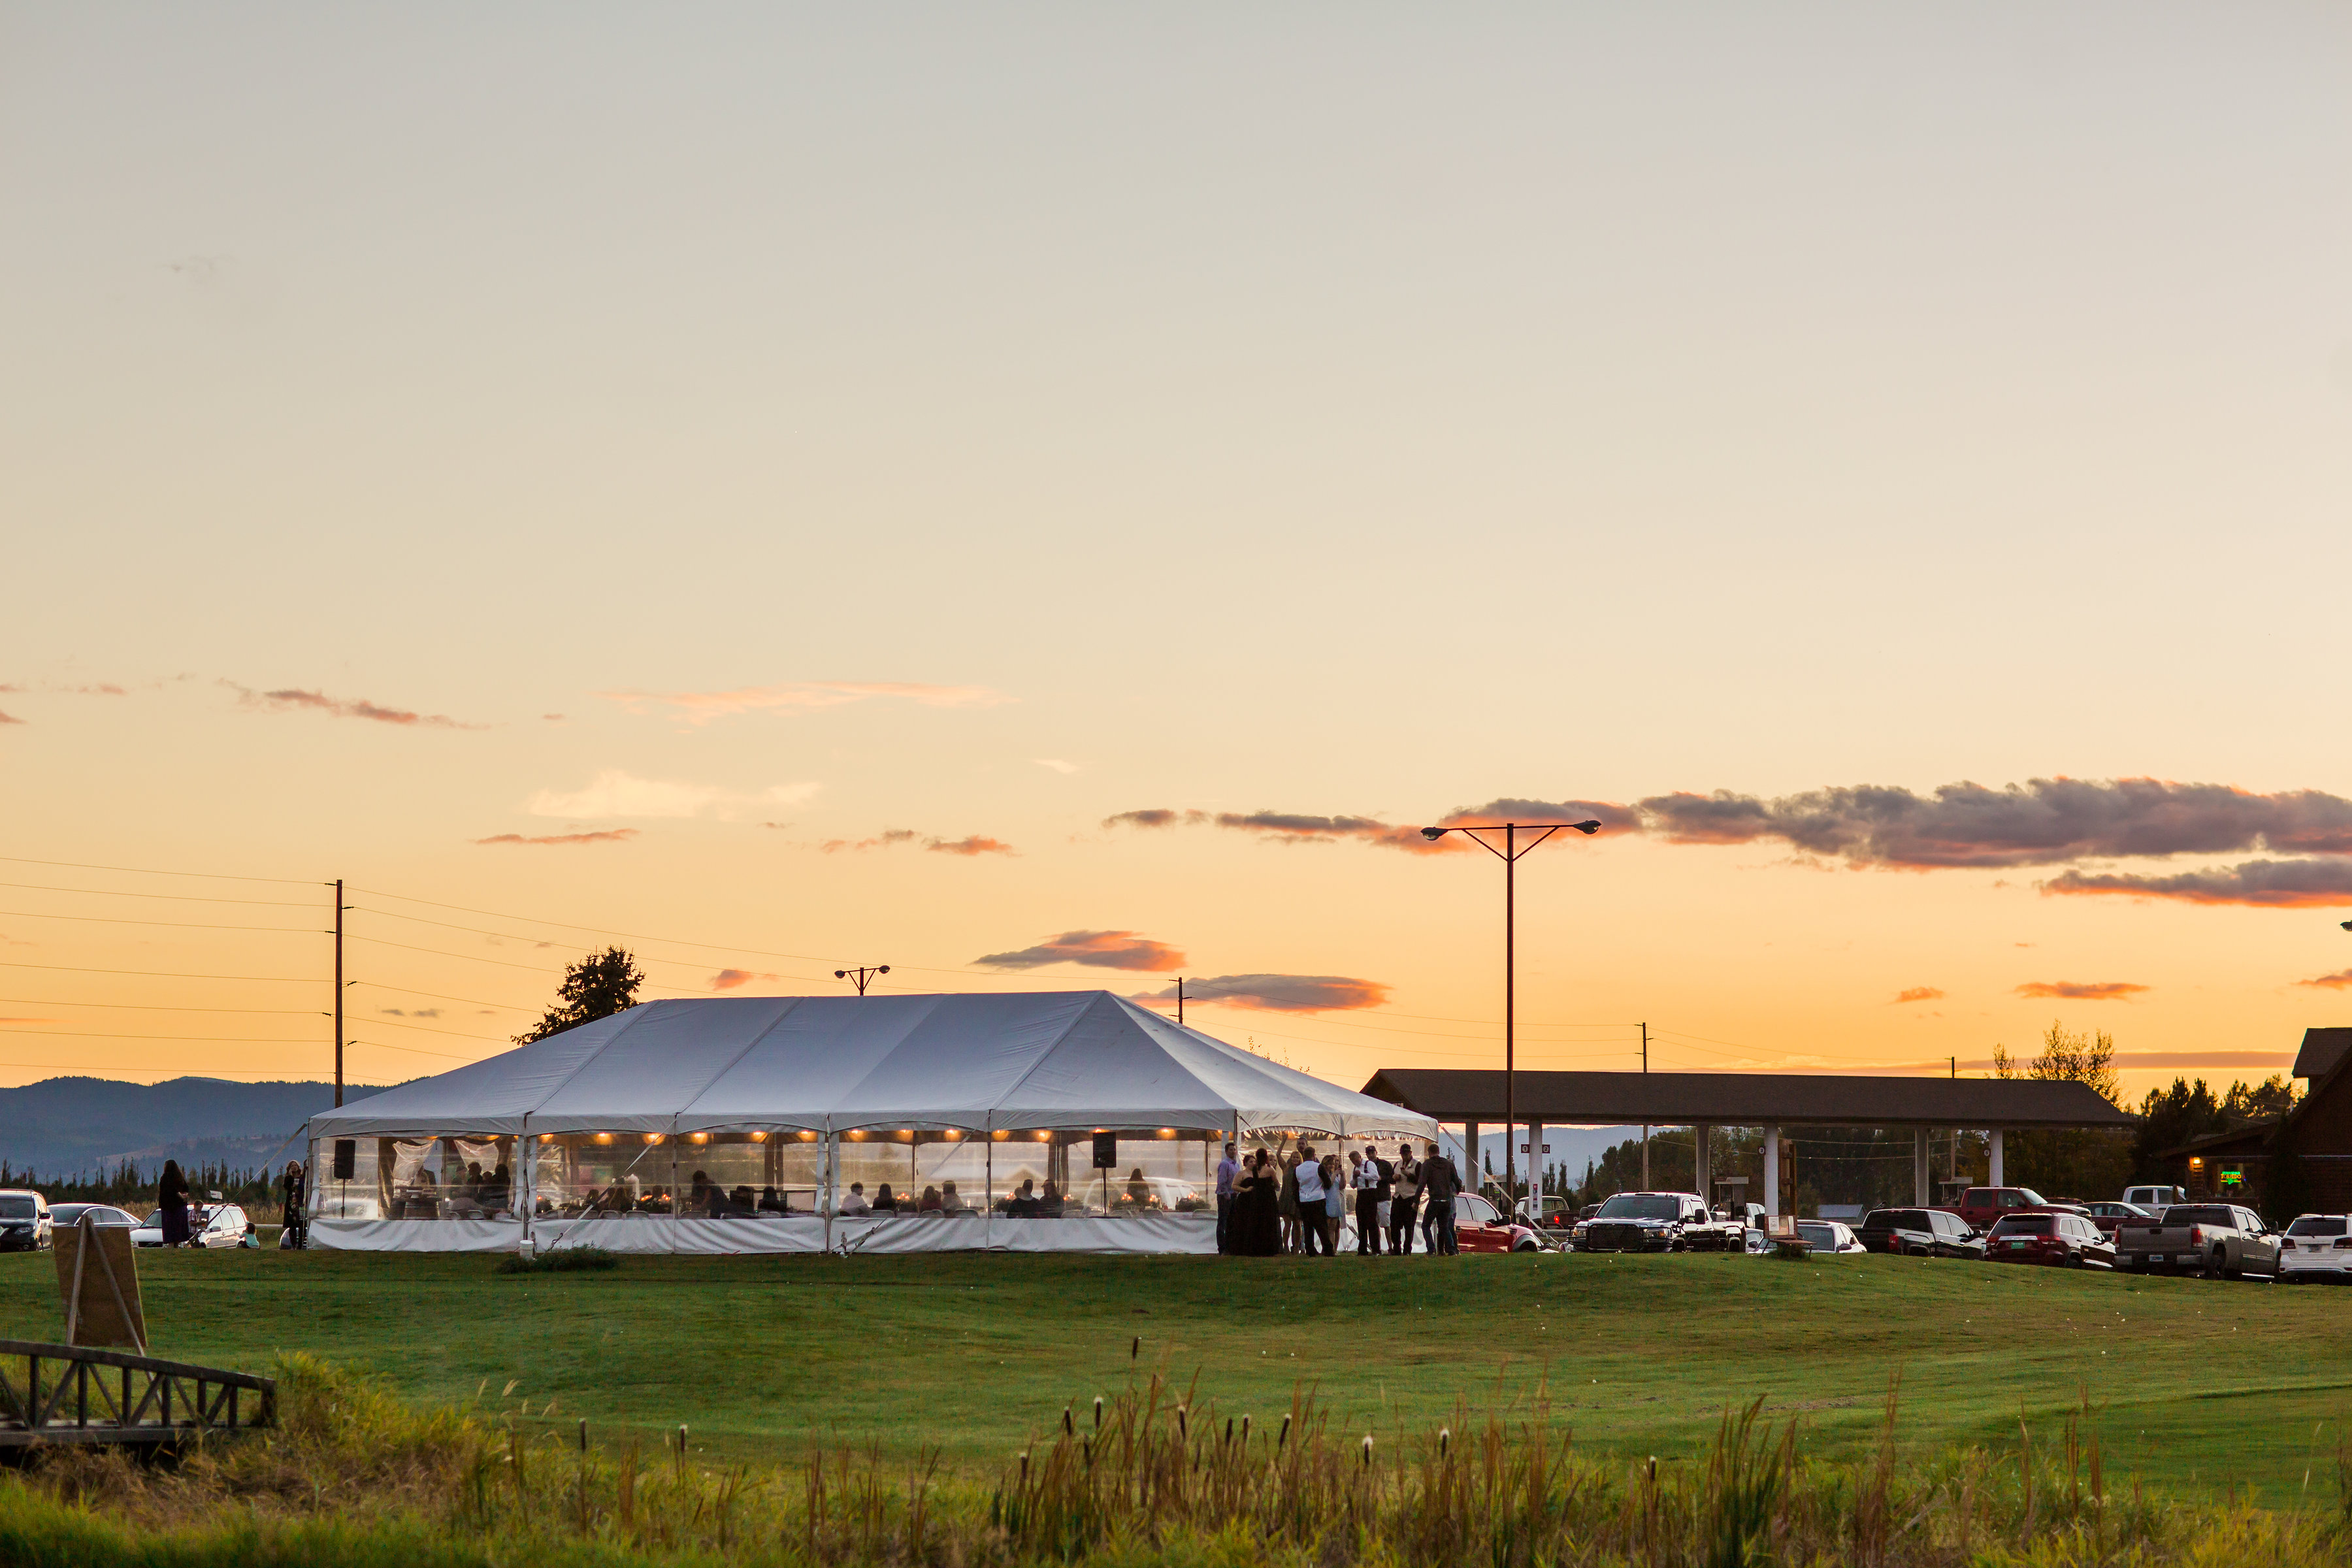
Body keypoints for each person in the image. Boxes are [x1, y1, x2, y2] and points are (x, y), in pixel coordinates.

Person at [1234, 1151, 1284, 1256]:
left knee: (1258, 1222)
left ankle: (1256, 1247)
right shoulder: (1270, 1170)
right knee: (1269, 1222)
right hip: (1269, 1198)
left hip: (1257, 1198)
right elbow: (1277, 1184)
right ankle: (1270, 1248)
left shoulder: (1255, 1170)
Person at [1420, 1141, 1461, 1256]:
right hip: (1447, 1200)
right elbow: (1457, 1181)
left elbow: (1422, 1184)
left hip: (1435, 1199)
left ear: (1429, 1153)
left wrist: (1416, 1200)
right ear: (1439, 1152)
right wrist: (1457, 1191)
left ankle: (1431, 1249)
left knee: (1426, 1225)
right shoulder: (1448, 1164)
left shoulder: (1427, 1165)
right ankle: (1445, 1250)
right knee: (1443, 1226)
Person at [1293, 1145, 1329, 1256]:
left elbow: (1295, 1187)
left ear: (1304, 1155)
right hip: (1318, 1198)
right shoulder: (1319, 1167)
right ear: (1314, 1155)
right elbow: (1327, 1183)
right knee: (1321, 1226)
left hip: (1304, 1200)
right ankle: (1327, 1249)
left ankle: (1310, 1249)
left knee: (1308, 1227)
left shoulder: (1298, 1169)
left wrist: (1299, 1202)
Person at [1355, 1145, 1388, 1256]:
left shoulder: (1370, 1164)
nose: (1371, 1155)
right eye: (1369, 1153)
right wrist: (1355, 1178)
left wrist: (1362, 1175)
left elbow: (1375, 1176)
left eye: (1372, 1153)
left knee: (1372, 1222)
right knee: (1361, 1222)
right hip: (1361, 1193)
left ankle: (1376, 1249)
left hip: (1371, 1193)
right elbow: (1352, 1184)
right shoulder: (1356, 1168)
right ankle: (1362, 1249)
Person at [1389, 1144, 1421, 1254]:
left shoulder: (1417, 1165)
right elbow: (1391, 1179)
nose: (1405, 1156)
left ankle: (1407, 1250)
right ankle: (1396, 1248)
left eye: (1407, 1154)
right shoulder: (1397, 1164)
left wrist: (1408, 1175)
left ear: (1411, 1153)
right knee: (1394, 1225)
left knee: (1409, 1225)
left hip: (1410, 1197)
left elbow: (1420, 1181)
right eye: (1403, 1154)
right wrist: (1394, 1178)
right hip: (1398, 1197)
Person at [158, 1159, 191, 1249]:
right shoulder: (180, 1177)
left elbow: (170, 1190)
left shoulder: (165, 1177)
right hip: (180, 1207)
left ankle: (171, 1248)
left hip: (168, 1207)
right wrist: (184, 1196)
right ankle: (175, 1248)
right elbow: (186, 1189)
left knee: (170, 1230)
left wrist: (179, 1195)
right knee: (178, 1231)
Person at [1214, 1141, 1239, 1254]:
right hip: (1225, 1197)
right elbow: (1222, 1181)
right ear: (1226, 1151)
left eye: (1234, 1150)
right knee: (1222, 1222)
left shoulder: (1236, 1165)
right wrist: (1226, 1194)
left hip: (1234, 1195)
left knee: (1232, 1222)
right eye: (1231, 1150)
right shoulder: (1225, 1164)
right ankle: (1222, 1248)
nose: (1233, 1152)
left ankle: (1230, 1246)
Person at [1320, 1154, 1347, 1254]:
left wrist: (1343, 1176)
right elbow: (1327, 1185)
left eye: (1332, 1164)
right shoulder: (1325, 1175)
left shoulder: (1334, 1175)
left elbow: (1342, 1186)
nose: (1331, 1166)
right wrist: (1335, 1174)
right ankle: (1326, 1249)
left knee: (1333, 1228)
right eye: (1329, 1164)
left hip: (1336, 1203)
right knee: (1326, 1228)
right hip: (1327, 1202)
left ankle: (1331, 1250)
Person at [280, 1160, 307, 1250]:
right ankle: (294, 1245)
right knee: (292, 1225)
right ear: (290, 1168)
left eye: (295, 1165)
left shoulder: (302, 1176)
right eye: (292, 1166)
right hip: (292, 1203)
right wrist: (291, 1177)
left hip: (300, 1202)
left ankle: (300, 1244)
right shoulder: (289, 1178)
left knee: (301, 1224)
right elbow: (286, 1187)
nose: (294, 1167)